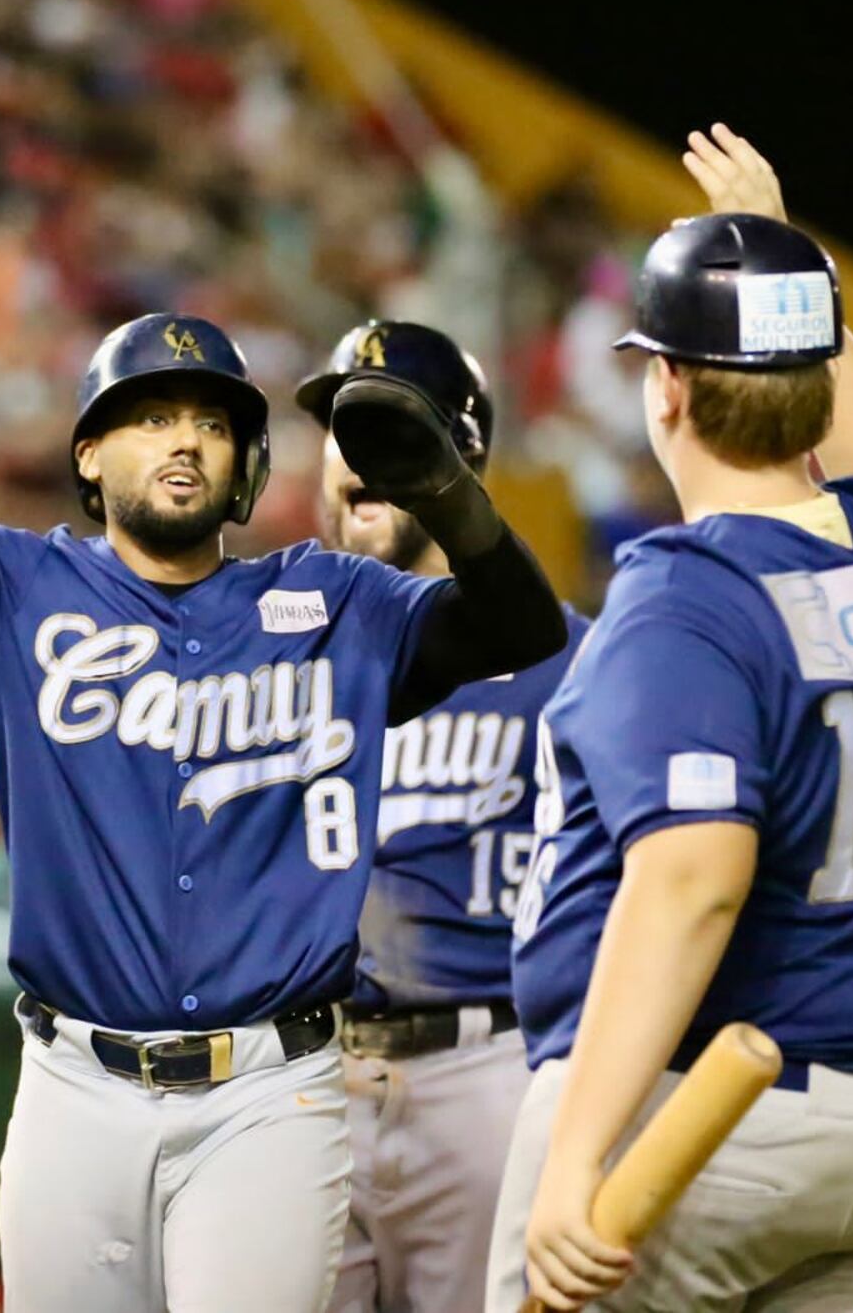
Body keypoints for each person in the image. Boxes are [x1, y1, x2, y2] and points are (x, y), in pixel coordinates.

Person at [0, 132, 568, 1310]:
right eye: (148, 414)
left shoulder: (337, 604)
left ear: (242, 465)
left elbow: (520, 628)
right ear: (88, 451)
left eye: (210, 419)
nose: (181, 436)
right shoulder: (16, 586)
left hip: (270, 1092)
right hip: (72, 1081)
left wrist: (445, 489)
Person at [488, 126, 853, 1313]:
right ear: (813, 383)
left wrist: (574, 1159)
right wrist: (789, 269)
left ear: (667, 386)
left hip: (704, 1118)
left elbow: (695, 876)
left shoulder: (684, 593)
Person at [302, 325, 591, 1313]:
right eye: (343, 428)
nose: (361, 457)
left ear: (460, 459)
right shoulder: (273, 647)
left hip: (491, 1065)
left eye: (390, 428)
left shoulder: (570, 658)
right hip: (303, 1072)